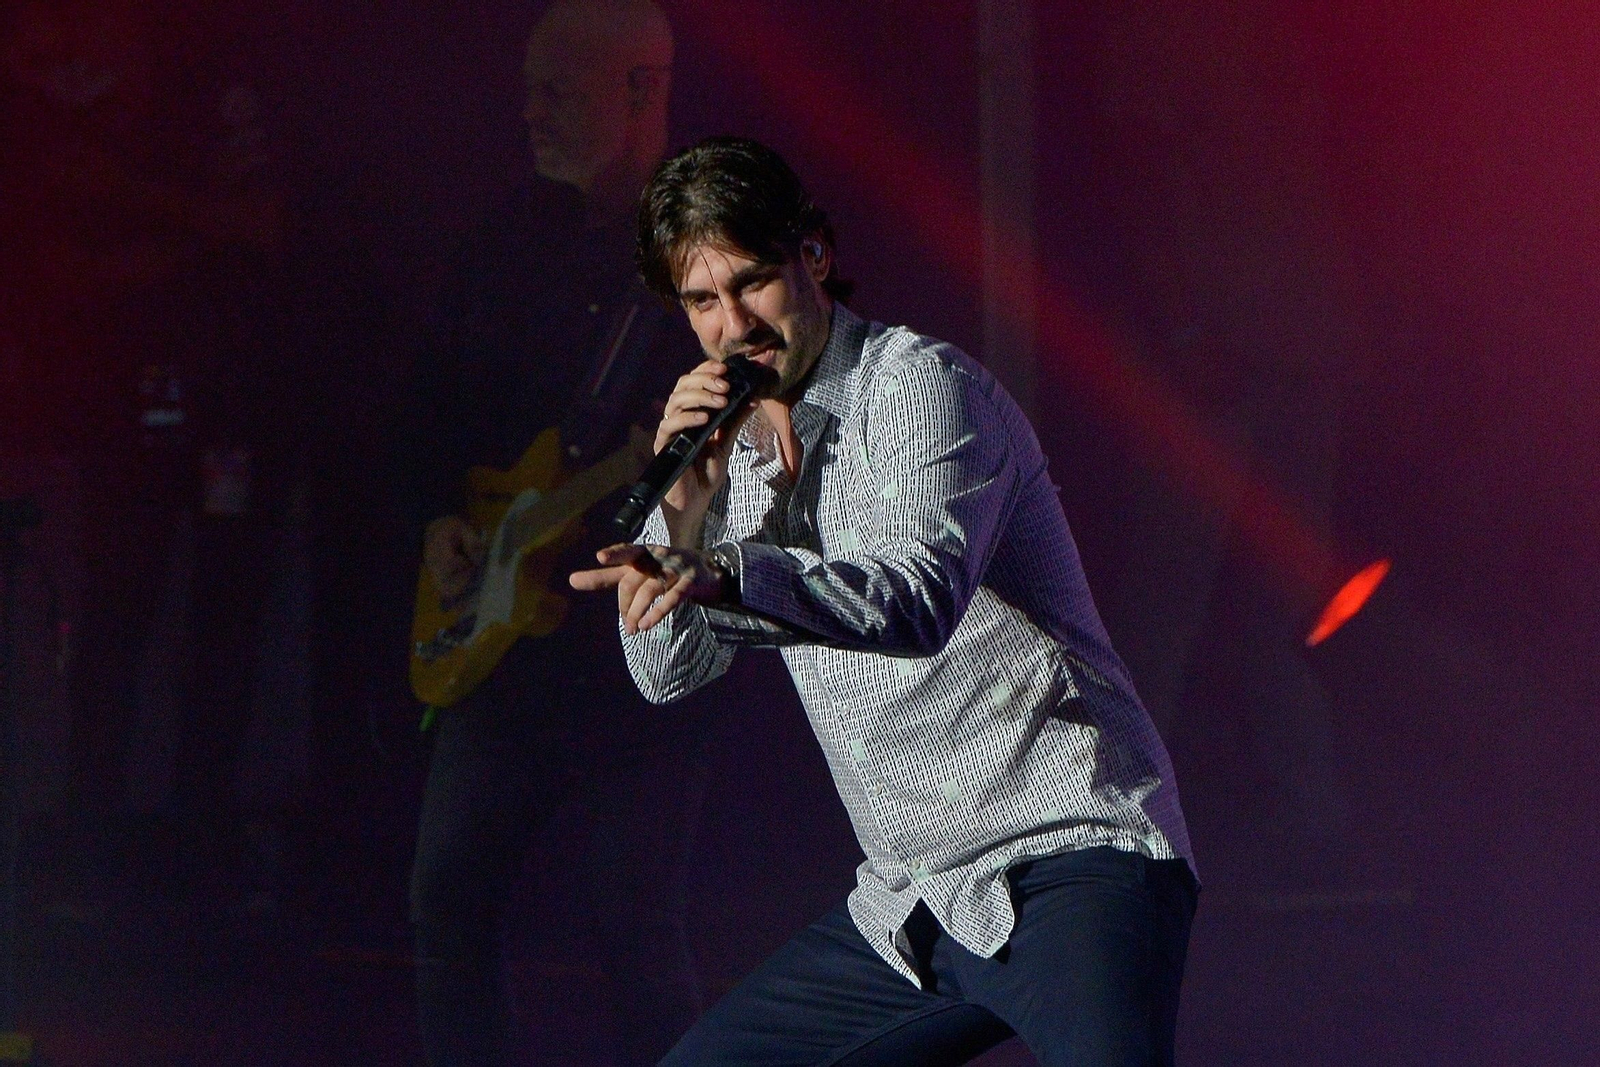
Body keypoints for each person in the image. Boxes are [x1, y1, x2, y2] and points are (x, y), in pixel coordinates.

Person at [570, 137, 1199, 1066]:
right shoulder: (731, 456)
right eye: (703, 300)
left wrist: (730, 577)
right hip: (914, 904)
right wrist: (688, 512)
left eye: (752, 283)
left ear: (813, 258)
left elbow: (913, 602)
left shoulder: (916, 387)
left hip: (1070, 855)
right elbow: (667, 674)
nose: (733, 323)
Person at [408, 2, 709, 1063]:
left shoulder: (705, 251)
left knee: (636, 933)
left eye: (560, 91)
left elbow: (761, 438)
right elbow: (431, 408)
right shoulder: (503, 240)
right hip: (499, 641)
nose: (531, 114)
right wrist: (443, 516)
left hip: (633, 652)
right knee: (447, 906)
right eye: (530, 88)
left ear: (641, 91)